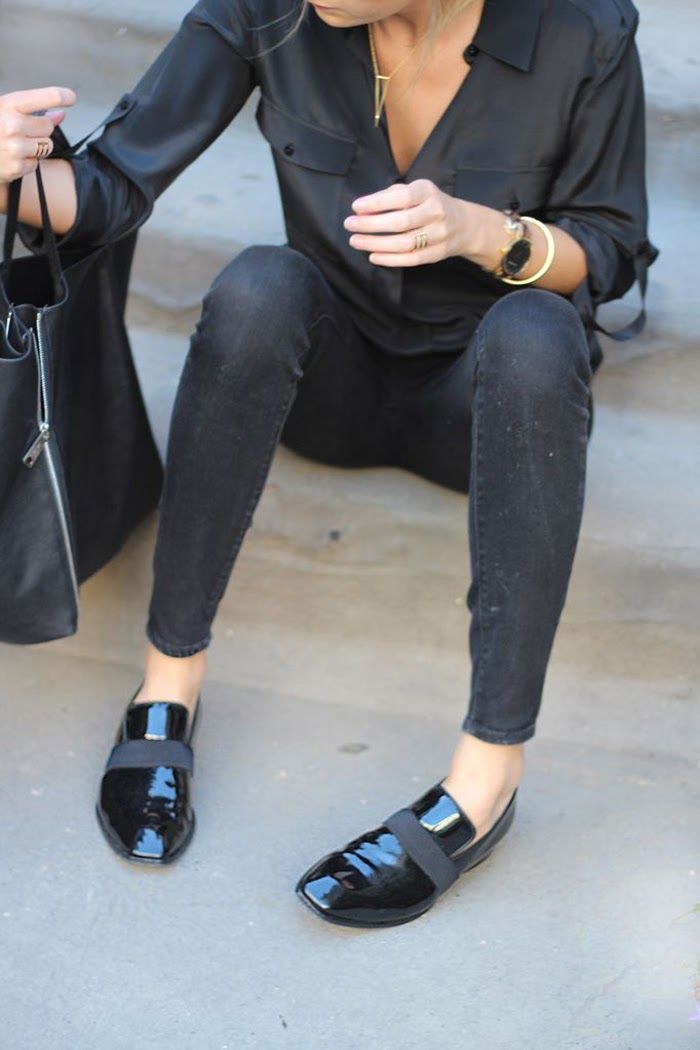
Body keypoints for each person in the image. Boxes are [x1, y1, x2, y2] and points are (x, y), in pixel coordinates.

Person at [0, 0, 658, 927]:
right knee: (259, 285)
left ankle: (487, 777)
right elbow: (109, 186)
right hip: (327, 387)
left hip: (486, 408)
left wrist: (485, 232)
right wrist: (10, 180)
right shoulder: (271, 9)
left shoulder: (581, 29)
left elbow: (611, 249)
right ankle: (166, 686)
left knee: (540, 334)